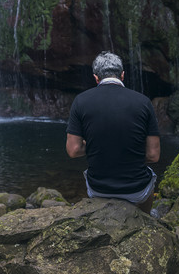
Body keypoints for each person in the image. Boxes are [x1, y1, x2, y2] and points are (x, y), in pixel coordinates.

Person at [65, 51, 161, 213]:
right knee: (149, 176)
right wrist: (129, 152)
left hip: (98, 189)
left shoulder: (80, 101)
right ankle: (146, 220)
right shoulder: (143, 102)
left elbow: (73, 150)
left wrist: (99, 148)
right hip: (136, 190)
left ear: (96, 78)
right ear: (122, 75)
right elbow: (153, 155)